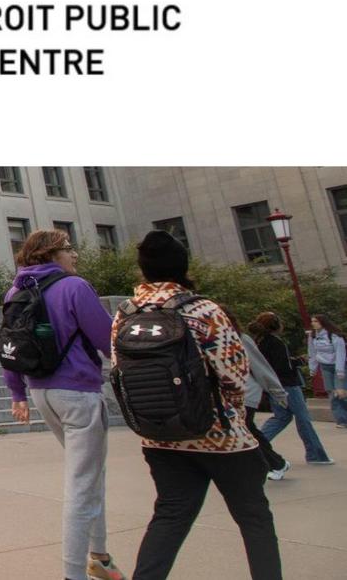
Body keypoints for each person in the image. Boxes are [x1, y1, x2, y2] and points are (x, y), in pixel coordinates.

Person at [118, 231, 280, 580]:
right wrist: (229, 414)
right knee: (254, 518)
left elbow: (121, 369)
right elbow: (235, 376)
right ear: (183, 266)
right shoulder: (204, 310)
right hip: (220, 436)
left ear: (143, 268)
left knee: (170, 516)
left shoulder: (125, 314)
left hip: (160, 436)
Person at [3, 229, 126, 580]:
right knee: (82, 482)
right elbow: (107, 339)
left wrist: (17, 394)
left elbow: (9, 346)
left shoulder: (16, 290)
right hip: (78, 393)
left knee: (91, 474)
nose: (74, 256)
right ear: (52, 254)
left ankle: (100, 556)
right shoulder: (74, 287)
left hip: (42, 392)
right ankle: (75, 573)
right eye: (69, 249)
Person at [254, 312, 332, 464]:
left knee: (281, 417)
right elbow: (283, 366)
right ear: (277, 325)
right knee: (303, 419)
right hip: (288, 385)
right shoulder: (277, 342)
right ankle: (315, 454)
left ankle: (257, 446)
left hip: (274, 385)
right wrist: (299, 361)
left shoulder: (261, 342)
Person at [228, 308, 290, 480]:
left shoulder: (241, 339)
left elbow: (261, 368)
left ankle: (275, 464)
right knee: (247, 430)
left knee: (245, 429)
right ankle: (275, 463)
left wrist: (278, 393)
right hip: (228, 395)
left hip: (246, 393)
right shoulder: (209, 340)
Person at [307, 314, 347, 429]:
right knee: (332, 393)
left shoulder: (334, 336)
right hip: (324, 366)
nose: (313, 323)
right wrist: (313, 368)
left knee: (341, 393)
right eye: (312, 321)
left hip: (338, 366)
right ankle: (342, 420)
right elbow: (312, 352)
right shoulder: (313, 336)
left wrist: (340, 371)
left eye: (316, 321)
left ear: (323, 322)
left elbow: (341, 353)